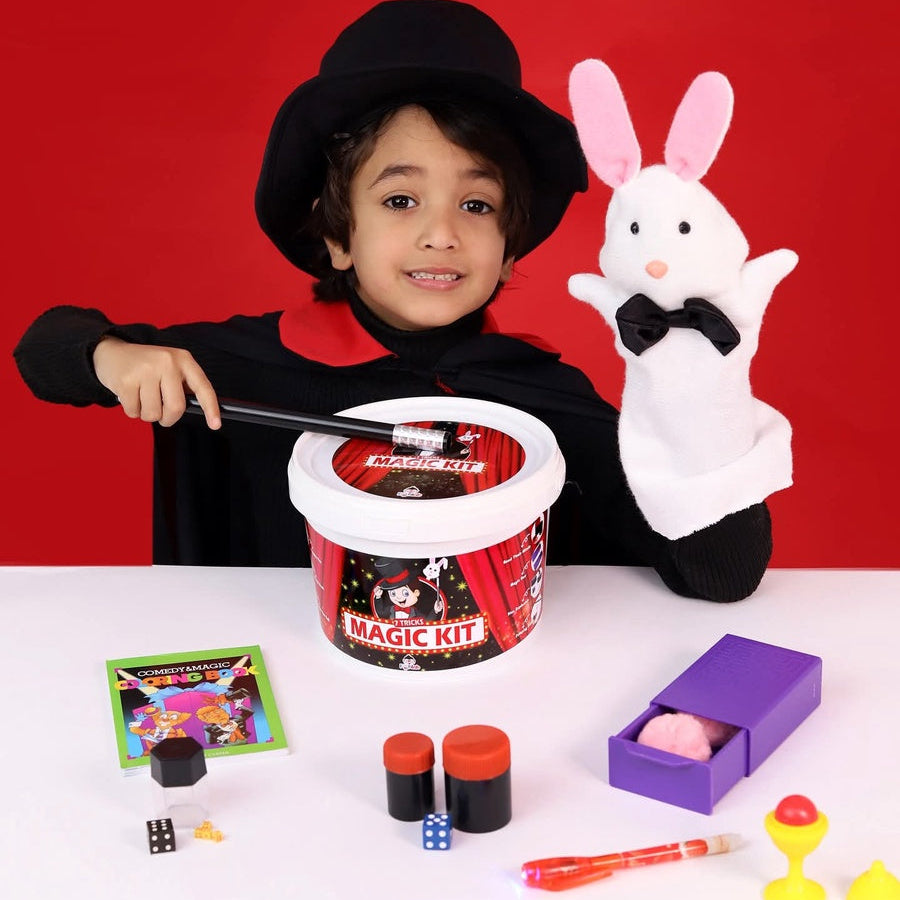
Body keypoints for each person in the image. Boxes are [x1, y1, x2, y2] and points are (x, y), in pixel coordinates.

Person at [13, 0, 773, 601]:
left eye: (477, 206)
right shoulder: (234, 368)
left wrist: (699, 395)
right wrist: (110, 355)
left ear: (510, 248)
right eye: (400, 200)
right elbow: (44, 349)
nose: (441, 235)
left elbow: (722, 572)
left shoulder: (547, 404)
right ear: (337, 234)